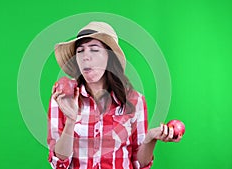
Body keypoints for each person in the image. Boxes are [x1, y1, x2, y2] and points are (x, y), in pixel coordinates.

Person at [47, 21, 182, 169]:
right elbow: (59, 164)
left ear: (109, 57)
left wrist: (150, 139)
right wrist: (71, 121)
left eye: (94, 49)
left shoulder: (135, 100)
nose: (85, 56)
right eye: (80, 51)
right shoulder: (63, 98)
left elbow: (140, 164)